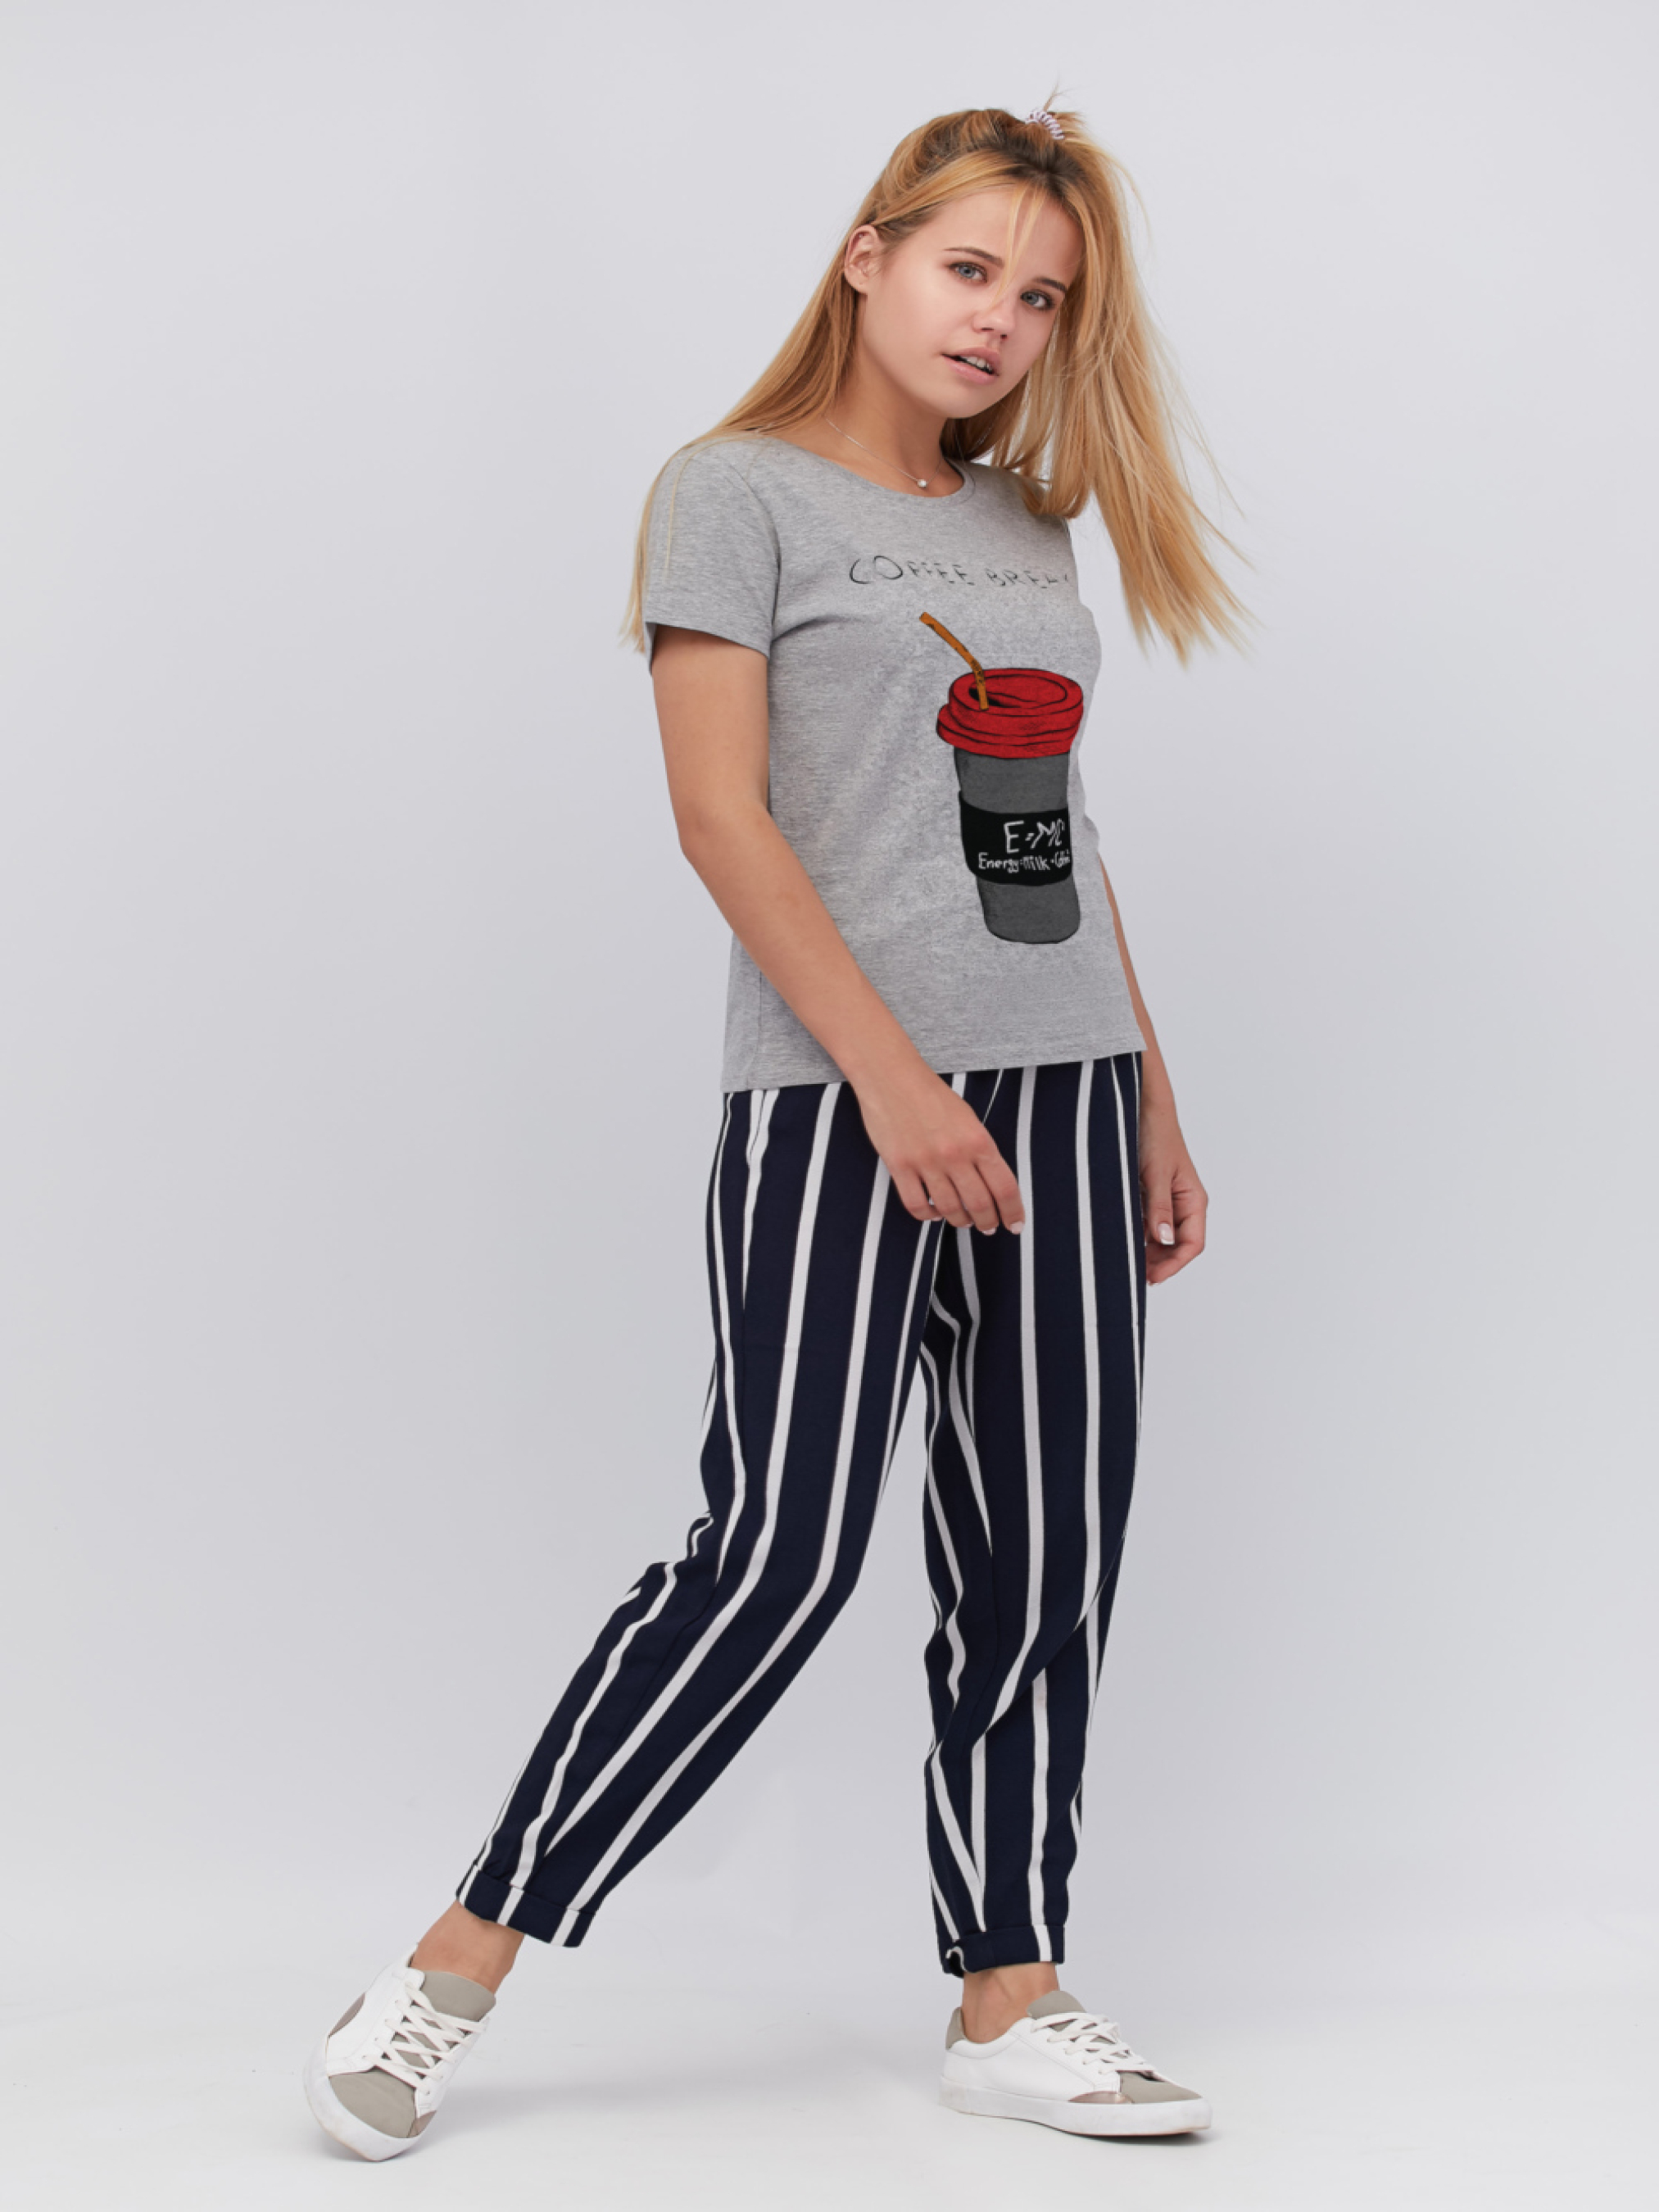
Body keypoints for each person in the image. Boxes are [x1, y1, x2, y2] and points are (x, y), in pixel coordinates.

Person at [303, 99, 1244, 2162]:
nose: (997, 321)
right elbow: (718, 819)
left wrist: (1149, 1091)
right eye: (968, 269)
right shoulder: (728, 494)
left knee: (1040, 1551)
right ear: (867, 254)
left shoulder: (1026, 527)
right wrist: (897, 1085)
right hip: (840, 1103)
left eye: (1039, 298)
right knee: (778, 1553)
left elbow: (1049, 842)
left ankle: (1009, 1992)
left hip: (1067, 1091)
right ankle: (452, 1964)